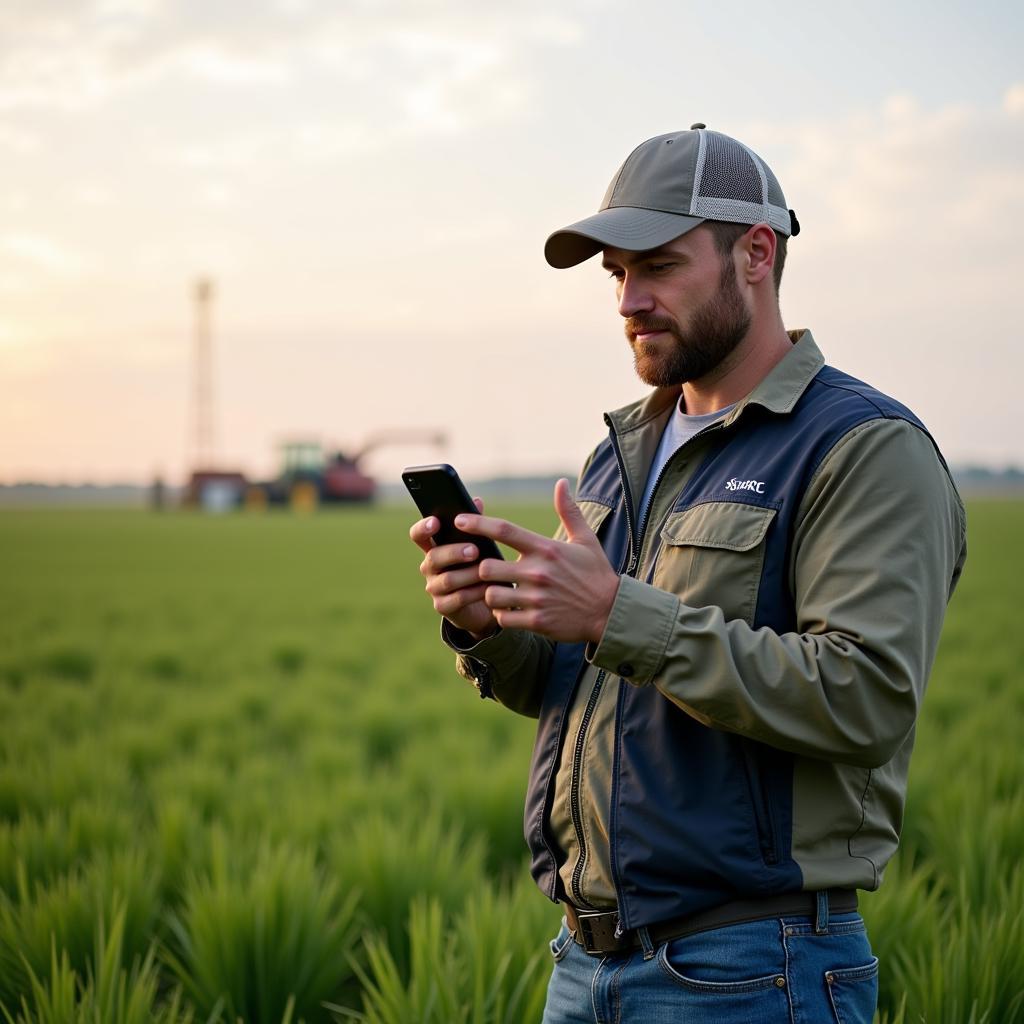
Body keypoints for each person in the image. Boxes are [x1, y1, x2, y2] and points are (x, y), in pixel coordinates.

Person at [408, 123, 966, 1023]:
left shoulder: (860, 449)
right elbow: (579, 687)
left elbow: (866, 696)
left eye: (658, 266)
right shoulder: (618, 455)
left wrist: (616, 614)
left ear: (756, 254)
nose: (629, 298)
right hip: (582, 964)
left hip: (754, 968)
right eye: (617, 274)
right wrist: (489, 629)